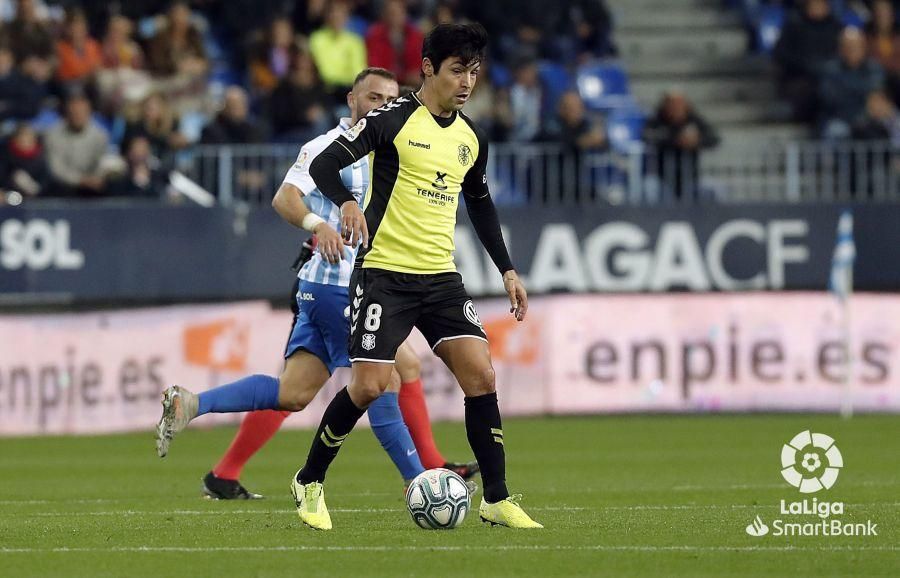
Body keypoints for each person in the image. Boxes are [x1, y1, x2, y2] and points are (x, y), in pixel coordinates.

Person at [154, 67, 478, 499]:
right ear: (352, 99)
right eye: (373, 97)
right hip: (337, 285)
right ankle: (421, 481)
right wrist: (316, 225)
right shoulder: (328, 146)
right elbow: (284, 197)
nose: (381, 105)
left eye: (389, 98)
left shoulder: (391, 144)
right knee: (386, 378)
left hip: (343, 286)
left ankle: (192, 404)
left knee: (293, 392)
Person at [293, 22, 541, 530]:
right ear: (428, 68)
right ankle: (310, 479)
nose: (467, 83)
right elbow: (323, 165)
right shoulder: (393, 119)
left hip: (440, 277)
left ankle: (495, 497)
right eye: (457, 71)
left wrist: (508, 269)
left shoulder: (472, 137)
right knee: (368, 386)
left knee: (482, 375)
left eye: (474, 72)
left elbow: (481, 203)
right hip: (384, 273)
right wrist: (344, 203)